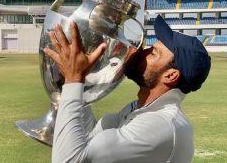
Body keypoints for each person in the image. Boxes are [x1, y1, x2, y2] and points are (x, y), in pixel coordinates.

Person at [44, 15, 211, 163]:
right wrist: (80, 79)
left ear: (170, 76)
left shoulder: (161, 125)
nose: (141, 52)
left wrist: (74, 79)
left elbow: (69, 159)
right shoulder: (139, 108)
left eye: (153, 53)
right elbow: (89, 137)